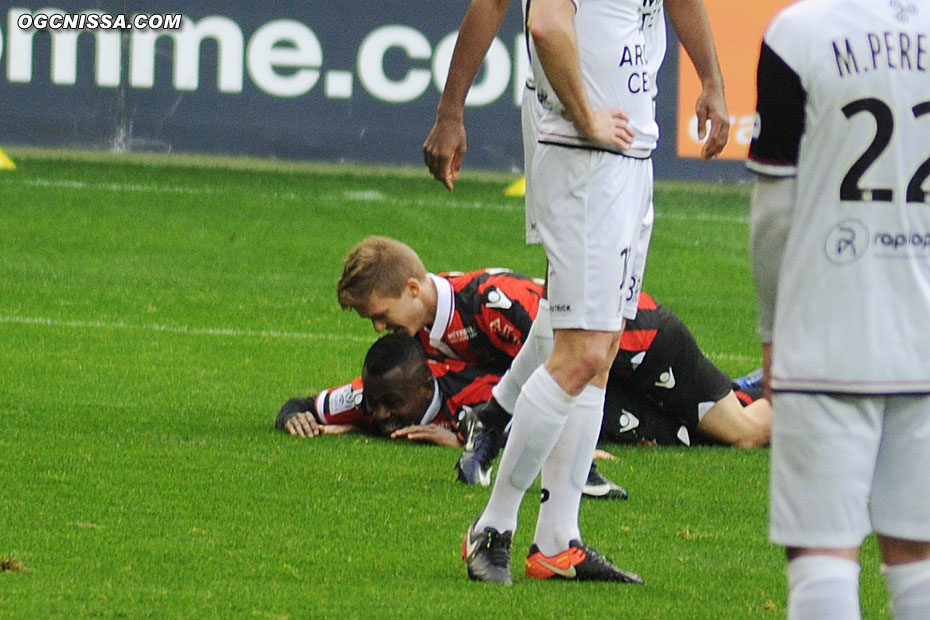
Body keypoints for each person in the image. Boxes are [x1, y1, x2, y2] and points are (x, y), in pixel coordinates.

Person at [457, 0, 732, 585]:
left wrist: (710, 77)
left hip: (629, 155)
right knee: (580, 349)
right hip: (583, 158)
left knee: (600, 352)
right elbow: (547, 23)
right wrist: (584, 116)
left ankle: (558, 539)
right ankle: (494, 524)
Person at [747, 2, 930, 618]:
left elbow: (774, 216)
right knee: (919, 560)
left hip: (826, 335)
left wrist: (773, 333)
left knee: (821, 556)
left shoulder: (798, 34)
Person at [334, 236, 625, 496]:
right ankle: (500, 436)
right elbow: (368, 391)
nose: (377, 327)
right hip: (593, 370)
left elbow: (557, 357)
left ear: (412, 289)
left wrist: (568, 440)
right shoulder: (417, 338)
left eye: (381, 315)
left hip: (623, 342)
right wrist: (332, 416)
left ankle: (497, 430)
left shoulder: (490, 300)